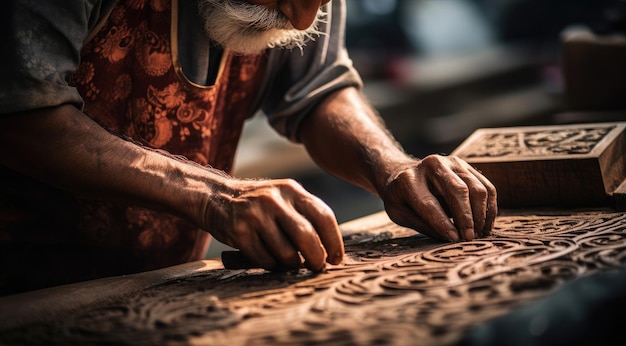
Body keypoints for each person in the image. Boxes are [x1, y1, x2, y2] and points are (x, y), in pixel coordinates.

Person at [0, 0, 497, 295]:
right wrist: (217, 195)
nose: (303, 21)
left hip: (164, 286)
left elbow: (318, 88)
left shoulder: (298, 10)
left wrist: (391, 166)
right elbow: (22, 115)